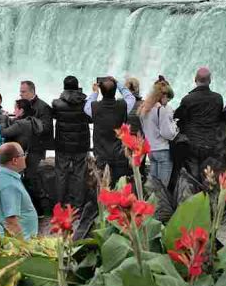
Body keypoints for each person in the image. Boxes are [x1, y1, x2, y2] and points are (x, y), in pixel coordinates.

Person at [174, 67, 226, 181]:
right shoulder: (218, 98)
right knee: (209, 178)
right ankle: (209, 197)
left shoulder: (188, 99)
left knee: (193, 177)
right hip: (212, 144)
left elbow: (179, 117)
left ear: (195, 79)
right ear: (210, 80)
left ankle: (195, 197)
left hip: (192, 143)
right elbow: (219, 117)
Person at [85, 76, 137, 186]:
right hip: (119, 154)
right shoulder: (123, 106)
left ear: (101, 91)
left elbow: (86, 107)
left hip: (101, 154)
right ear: (114, 91)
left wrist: (95, 93)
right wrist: (118, 84)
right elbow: (131, 98)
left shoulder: (94, 107)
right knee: (120, 187)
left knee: (103, 187)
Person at [51, 76, 90, 209]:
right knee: (79, 174)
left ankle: (59, 204)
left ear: (64, 86)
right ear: (77, 86)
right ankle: (78, 205)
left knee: (61, 173)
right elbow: (90, 119)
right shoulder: (86, 104)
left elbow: (55, 116)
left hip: (62, 145)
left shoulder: (56, 103)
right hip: (81, 145)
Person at [0, 142, 39, 239]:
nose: (25, 158)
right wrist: (24, 246)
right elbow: (11, 222)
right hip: (16, 245)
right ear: (15, 160)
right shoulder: (9, 185)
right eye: (23, 155)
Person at [19, 80, 53, 211]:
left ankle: (38, 208)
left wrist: (29, 124)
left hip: (36, 147)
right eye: (20, 91)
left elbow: (47, 128)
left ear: (32, 92)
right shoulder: (23, 105)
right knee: (23, 176)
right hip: (24, 146)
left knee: (30, 176)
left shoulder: (43, 107)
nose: (20, 94)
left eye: (23, 92)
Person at [2, 98, 44, 205]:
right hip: (33, 154)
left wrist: (3, 118)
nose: (14, 111)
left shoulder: (21, 124)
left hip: (22, 156)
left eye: (15, 108)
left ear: (21, 111)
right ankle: (38, 209)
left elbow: (4, 132)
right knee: (30, 182)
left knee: (21, 182)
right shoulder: (33, 121)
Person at [138, 77, 178, 185]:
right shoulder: (161, 110)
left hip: (151, 151)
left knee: (154, 187)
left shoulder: (144, 109)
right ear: (163, 96)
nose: (167, 102)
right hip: (163, 151)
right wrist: (175, 128)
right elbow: (167, 134)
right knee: (163, 189)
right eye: (168, 99)